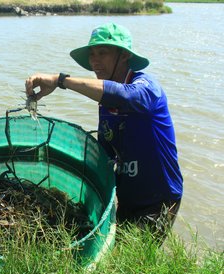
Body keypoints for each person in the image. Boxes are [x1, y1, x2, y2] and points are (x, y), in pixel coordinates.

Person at [25, 23, 183, 241]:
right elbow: (106, 154)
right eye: (91, 55)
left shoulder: (147, 87)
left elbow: (125, 97)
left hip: (157, 199)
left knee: (131, 261)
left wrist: (61, 80)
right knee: (117, 255)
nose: (94, 61)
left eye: (102, 53)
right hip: (128, 197)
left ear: (125, 55)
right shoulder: (104, 103)